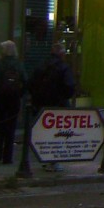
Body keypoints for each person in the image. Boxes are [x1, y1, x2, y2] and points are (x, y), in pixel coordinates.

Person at [30, 42, 76, 171]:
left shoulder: (41, 65)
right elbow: (69, 86)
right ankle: (54, 160)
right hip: (58, 105)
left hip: (41, 105)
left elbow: (31, 83)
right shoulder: (63, 67)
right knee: (59, 134)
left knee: (45, 132)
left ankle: (45, 157)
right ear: (62, 54)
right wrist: (63, 97)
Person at [0, 40, 26, 164]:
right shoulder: (19, 65)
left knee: (1, 125)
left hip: (0, 99)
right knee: (11, 127)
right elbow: (25, 81)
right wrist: (19, 94)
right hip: (14, 99)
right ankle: (8, 157)